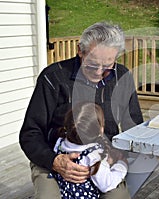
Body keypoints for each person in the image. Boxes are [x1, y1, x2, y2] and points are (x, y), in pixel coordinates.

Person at [19, 21, 143, 198]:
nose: (99, 72)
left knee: (118, 197)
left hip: (103, 161)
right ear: (80, 51)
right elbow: (30, 133)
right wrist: (54, 161)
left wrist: (119, 155)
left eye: (108, 67)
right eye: (92, 64)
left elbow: (134, 127)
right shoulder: (53, 77)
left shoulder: (122, 76)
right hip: (54, 158)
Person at [49, 102, 130, 198]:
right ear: (101, 130)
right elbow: (107, 184)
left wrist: (107, 161)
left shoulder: (59, 143)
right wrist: (121, 165)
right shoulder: (93, 156)